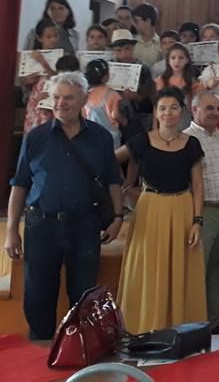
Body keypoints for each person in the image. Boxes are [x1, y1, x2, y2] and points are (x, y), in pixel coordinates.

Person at [5, 72, 123, 340]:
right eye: (56, 97)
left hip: (85, 225)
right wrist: (11, 230)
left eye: (68, 98)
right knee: (37, 295)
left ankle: (79, 349)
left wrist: (118, 217)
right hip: (41, 225)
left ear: (83, 99)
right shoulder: (35, 137)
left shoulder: (101, 137)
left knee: (83, 295)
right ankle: (41, 350)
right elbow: (20, 184)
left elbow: (112, 180)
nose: (61, 103)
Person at [118, 86, 206, 334]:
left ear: (183, 111)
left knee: (180, 271)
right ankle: (144, 327)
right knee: (147, 269)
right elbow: (110, 160)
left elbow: (198, 186)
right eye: (163, 108)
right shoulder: (141, 141)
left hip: (182, 209)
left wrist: (197, 221)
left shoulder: (191, 144)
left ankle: (179, 330)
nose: (168, 113)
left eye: (174, 108)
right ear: (156, 112)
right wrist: (126, 189)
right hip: (150, 208)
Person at [185, 92, 219, 331]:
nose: (215, 112)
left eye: (218, 108)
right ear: (194, 110)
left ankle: (212, 327)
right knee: (197, 274)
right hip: (201, 213)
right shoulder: (186, 139)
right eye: (209, 108)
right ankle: (193, 329)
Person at [20, 19, 61, 134]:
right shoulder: (31, 56)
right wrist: (28, 80)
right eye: (48, 37)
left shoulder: (62, 57)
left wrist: (43, 63)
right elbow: (23, 81)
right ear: (39, 38)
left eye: (56, 36)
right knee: (33, 133)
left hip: (54, 100)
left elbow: (59, 78)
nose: (53, 39)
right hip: (36, 100)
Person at [110, 29, 155, 129]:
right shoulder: (109, 67)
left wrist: (137, 97)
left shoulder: (143, 67)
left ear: (133, 47)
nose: (124, 53)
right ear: (114, 51)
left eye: (127, 48)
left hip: (139, 116)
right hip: (114, 116)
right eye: (119, 50)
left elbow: (148, 93)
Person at [157, 42, 199, 130]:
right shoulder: (161, 81)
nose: (177, 61)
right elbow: (156, 107)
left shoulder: (193, 82)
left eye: (181, 58)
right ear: (168, 60)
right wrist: (155, 127)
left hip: (186, 123)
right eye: (173, 58)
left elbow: (197, 107)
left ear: (187, 60)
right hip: (165, 122)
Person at [83, 59, 122, 148]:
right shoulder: (113, 94)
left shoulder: (85, 95)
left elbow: (83, 117)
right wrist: (124, 121)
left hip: (91, 138)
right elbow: (115, 115)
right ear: (106, 77)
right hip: (111, 138)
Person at [132, 2, 162, 67]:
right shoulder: (131, 42)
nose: (134, 24)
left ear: (148, 21)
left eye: (136, 21)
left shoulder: (161, 44)